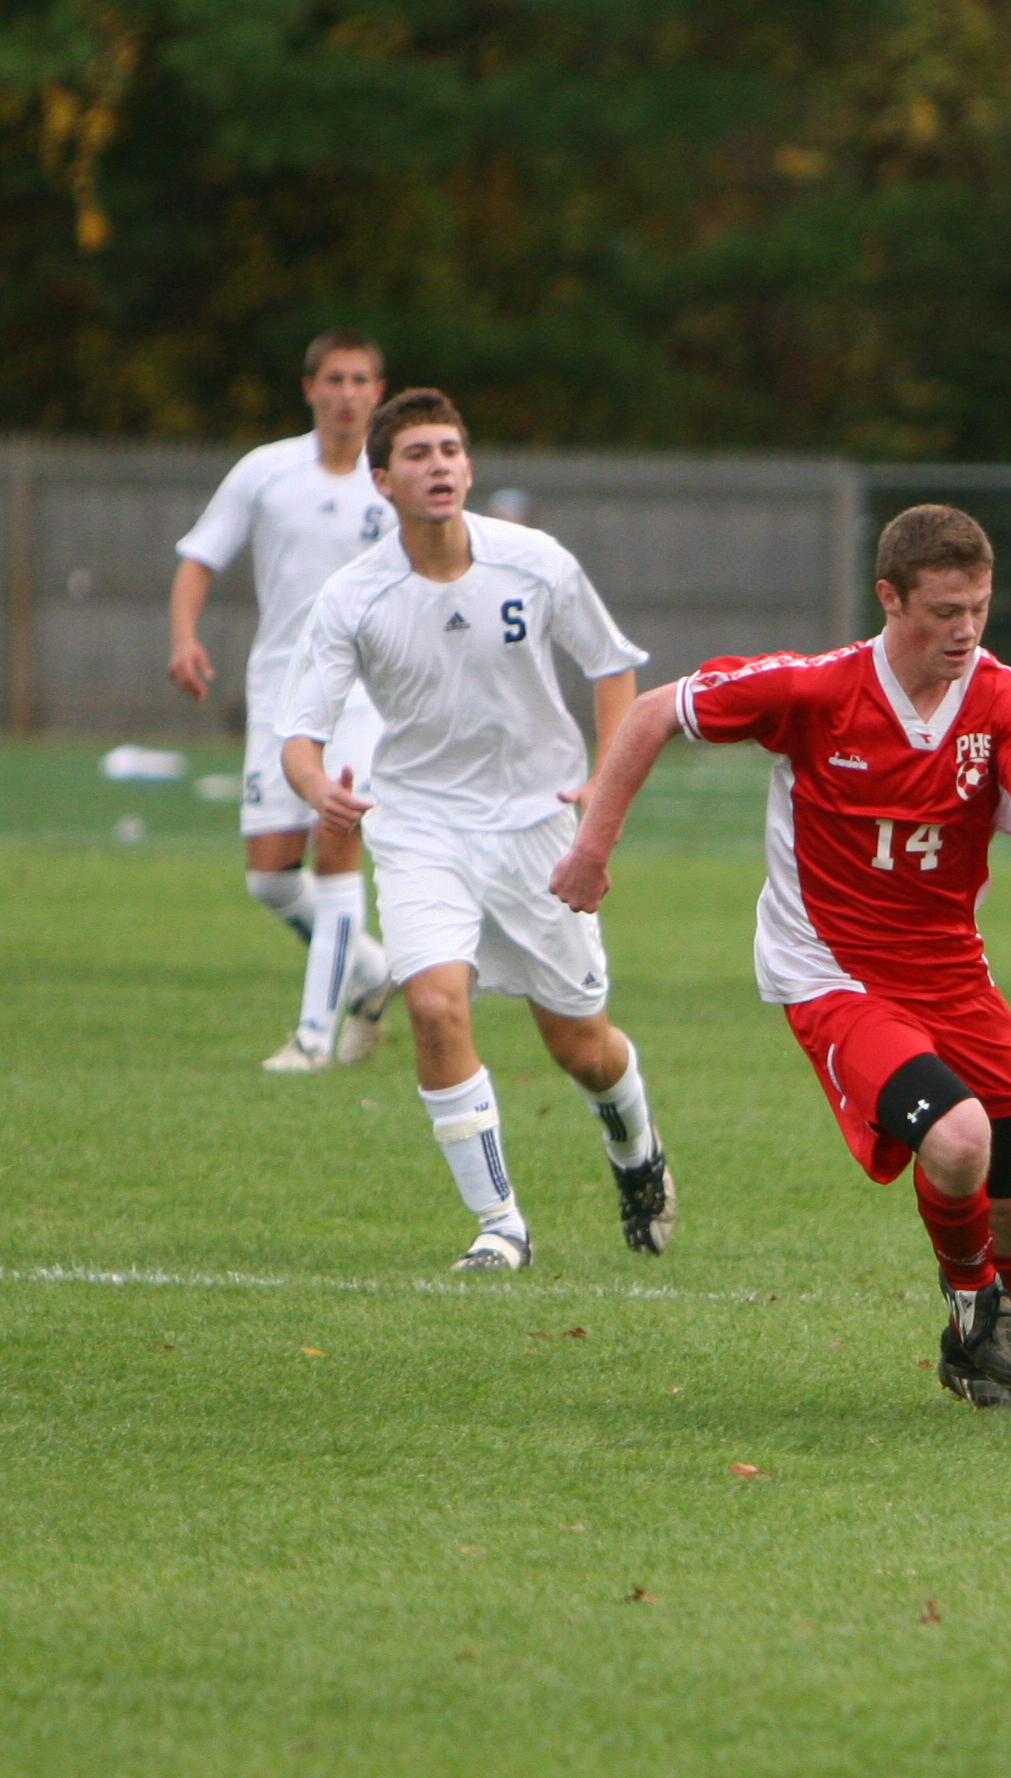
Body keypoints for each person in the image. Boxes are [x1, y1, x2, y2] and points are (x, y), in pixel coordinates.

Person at [551, 504, 1011, 1411]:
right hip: (832, 970)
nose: (964, 630)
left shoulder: (1003, 699)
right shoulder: (813, 691)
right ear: (889, 598)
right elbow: (653, 713)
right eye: (942, 611)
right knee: (957, 1137)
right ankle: (971, 1306)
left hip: (952, 971)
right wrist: (591, 848)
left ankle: (976, 1356)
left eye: (978, 608)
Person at [280, 388, 675, 1270]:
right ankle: (501, 1226)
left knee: (580, 1045)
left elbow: (615, 670)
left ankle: (635, 1148)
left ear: (470, 466)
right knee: (431, 1004)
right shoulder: (353, 597)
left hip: (540, 829)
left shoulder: (534, 564)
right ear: (381, 481)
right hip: (421, 830)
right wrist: (320, 790)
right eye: (417, 454)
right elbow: (299, 739)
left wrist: (600, 786)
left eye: (451, 450)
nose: (440, 466)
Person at [169, 330, 400, 1072]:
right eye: (333, 379)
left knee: (336, 838)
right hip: (282, 688)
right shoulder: (266, 472)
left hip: (368, 694)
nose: (346, 393)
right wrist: (183, 638)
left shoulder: (398, 477)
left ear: (378, 391)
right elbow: (199, 556)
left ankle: (311, 1037)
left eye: (361, 380)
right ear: (309, 389)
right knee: (270, 875)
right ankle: (372, 971)